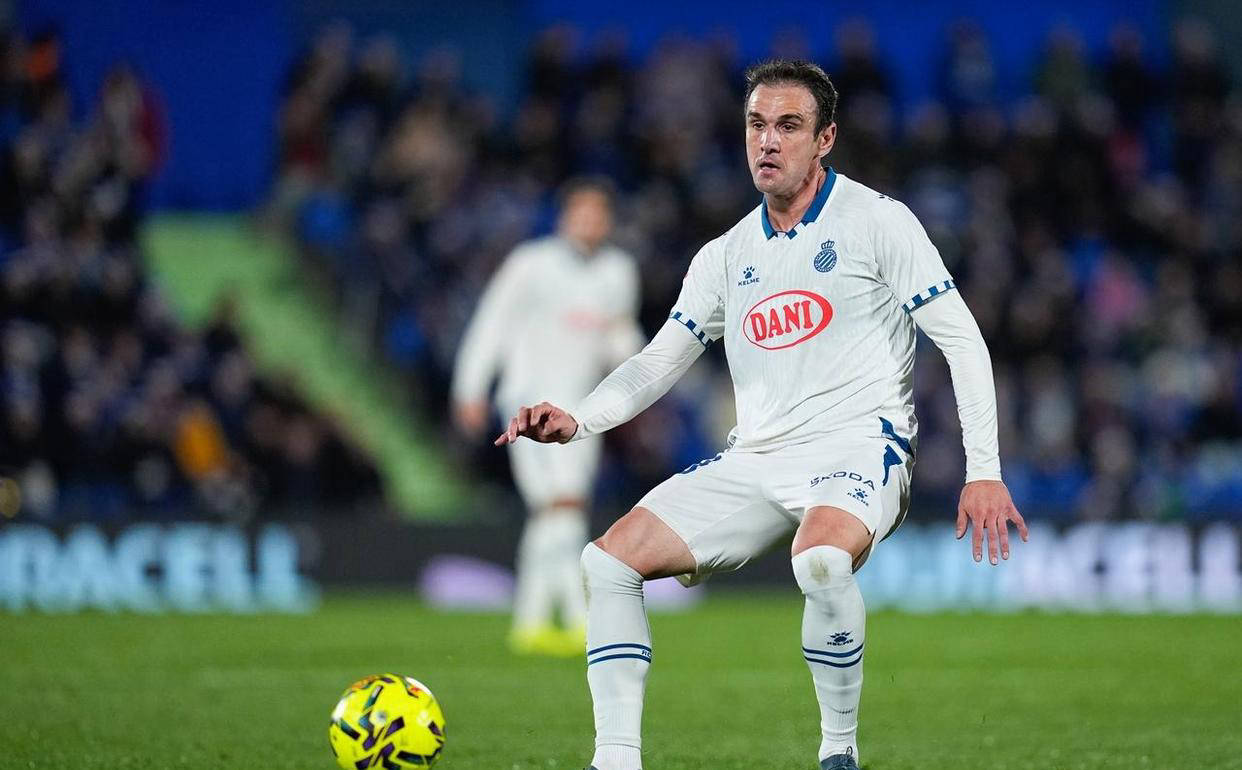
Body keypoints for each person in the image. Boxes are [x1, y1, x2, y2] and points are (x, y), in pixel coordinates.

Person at [495, 60, 1028, 770]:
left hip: (861, 446)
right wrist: (579, 418)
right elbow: (657, 361)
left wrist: (983, 470)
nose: (768, 141)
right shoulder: (725, 256)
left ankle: (838, 752)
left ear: (825, 138)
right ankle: (615, 760)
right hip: (758, 456)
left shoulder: (878, 222)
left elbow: (963, 341)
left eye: (788, 126)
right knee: (608, 562)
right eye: (756, 125)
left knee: (821, 561)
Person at [453, 179, 644, 656]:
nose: (589, 222)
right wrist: (470, 389)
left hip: (583, 410)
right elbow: (492, 323)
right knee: (563, 504)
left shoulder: (618, 272)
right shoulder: (530, 264)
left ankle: (531, 622)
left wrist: (633, 364)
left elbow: (619, 338)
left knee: (553, 511)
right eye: (581, 212)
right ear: (564, 217)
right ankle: (578, 619)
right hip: (527, 402)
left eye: (598, 214)